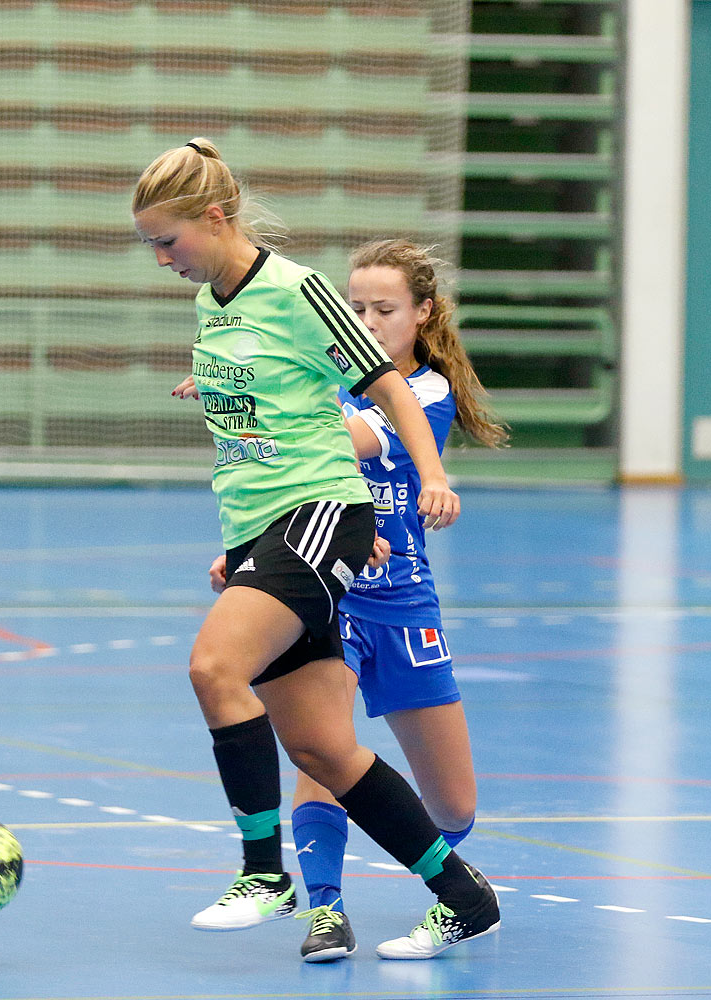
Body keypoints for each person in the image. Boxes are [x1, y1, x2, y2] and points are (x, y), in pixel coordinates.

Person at [134, 139, 500, 961]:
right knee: (321, 749)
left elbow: (388, 387)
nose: (160, 259)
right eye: (150, 244)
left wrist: (433, 472)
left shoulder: (299, 289)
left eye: (168, 241)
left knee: (212, 667)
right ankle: (461, 893)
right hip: (264, 524)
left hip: (325, 511)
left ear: (215, 218)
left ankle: (264, 874)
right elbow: (270, 408)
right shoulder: (211, 308)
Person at [275, 239, 508, 962]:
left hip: (402, 603)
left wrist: (263, 398)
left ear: (422, 314)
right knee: (321, 748)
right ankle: (324, 910)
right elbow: (281, 479)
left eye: (385, 309)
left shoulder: (423, 393)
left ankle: (459, 891)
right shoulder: (317, 376)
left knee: (453, 806)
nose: (368, 321)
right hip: (327, 596)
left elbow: (347, 442)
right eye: (356, 307)